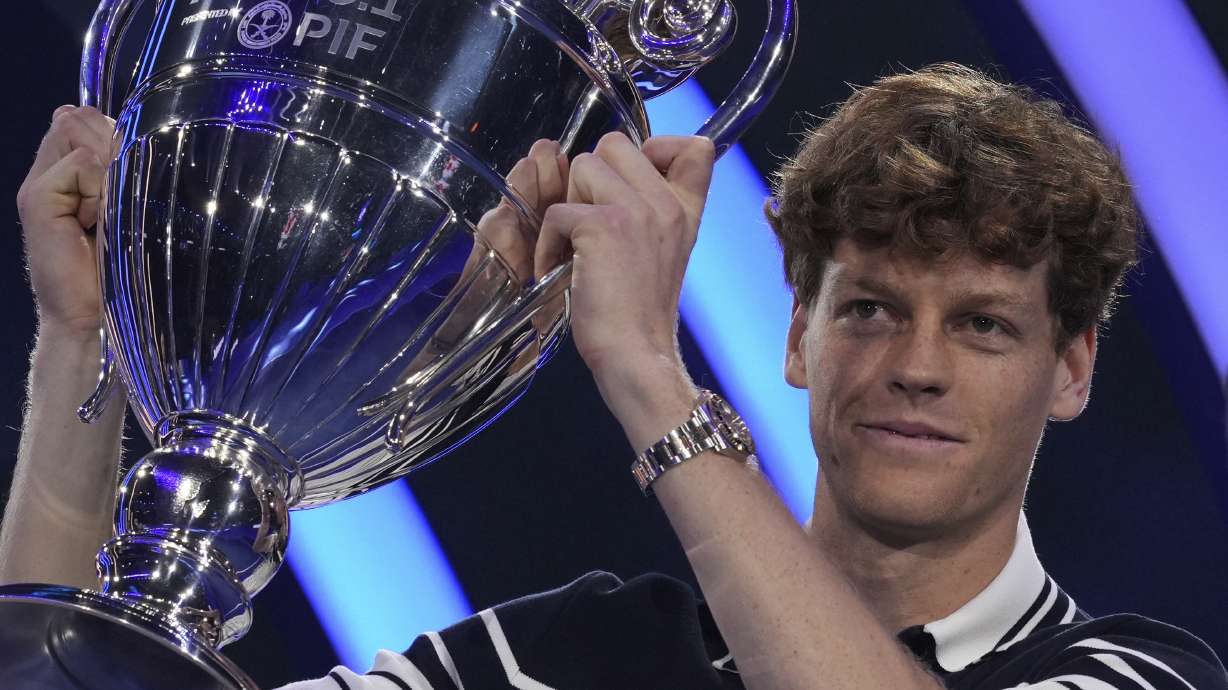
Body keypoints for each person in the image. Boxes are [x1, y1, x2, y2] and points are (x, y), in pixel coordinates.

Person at [3, 63, 1226, 690]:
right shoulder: (577, 656)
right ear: (797, 338)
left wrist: (649, 374)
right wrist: (91, 345)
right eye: (867, 309)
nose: (912, 366)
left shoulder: (1138, 672)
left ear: (1070, 369)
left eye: (982, 327)